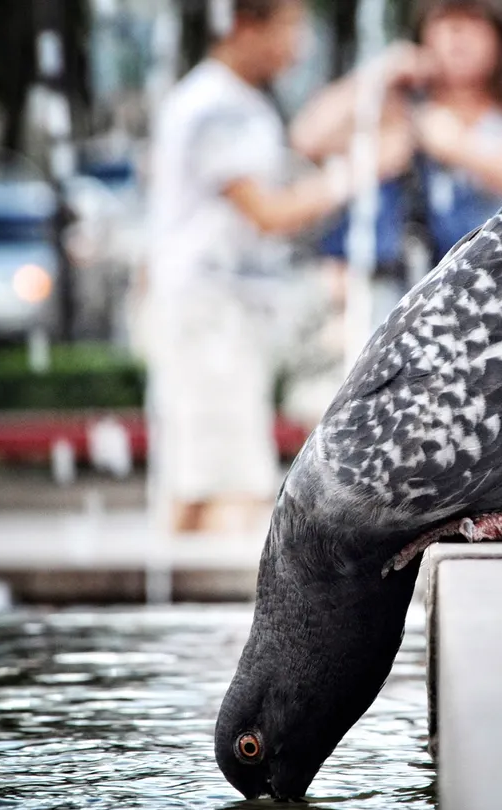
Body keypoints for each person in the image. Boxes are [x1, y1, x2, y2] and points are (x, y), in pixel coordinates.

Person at [146, 0, 387, 535]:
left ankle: (169, 611)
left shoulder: (225, 100)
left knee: (196, 482)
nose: (297, 47)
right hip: (212, 310)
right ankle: (229, 618)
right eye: (289, 28)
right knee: (234, 487)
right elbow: (267, 213)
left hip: (209, 307)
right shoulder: (218, 105)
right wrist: (358, 173)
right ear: (242, 26)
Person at [290, 0, 502, 324]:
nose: (457, 36)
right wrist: (378, 74)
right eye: (445, 22)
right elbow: (307, 139)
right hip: (396, 292)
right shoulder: (401, 101)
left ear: (499, 37)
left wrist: (460, 147)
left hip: (489, 292)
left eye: (473, 22)